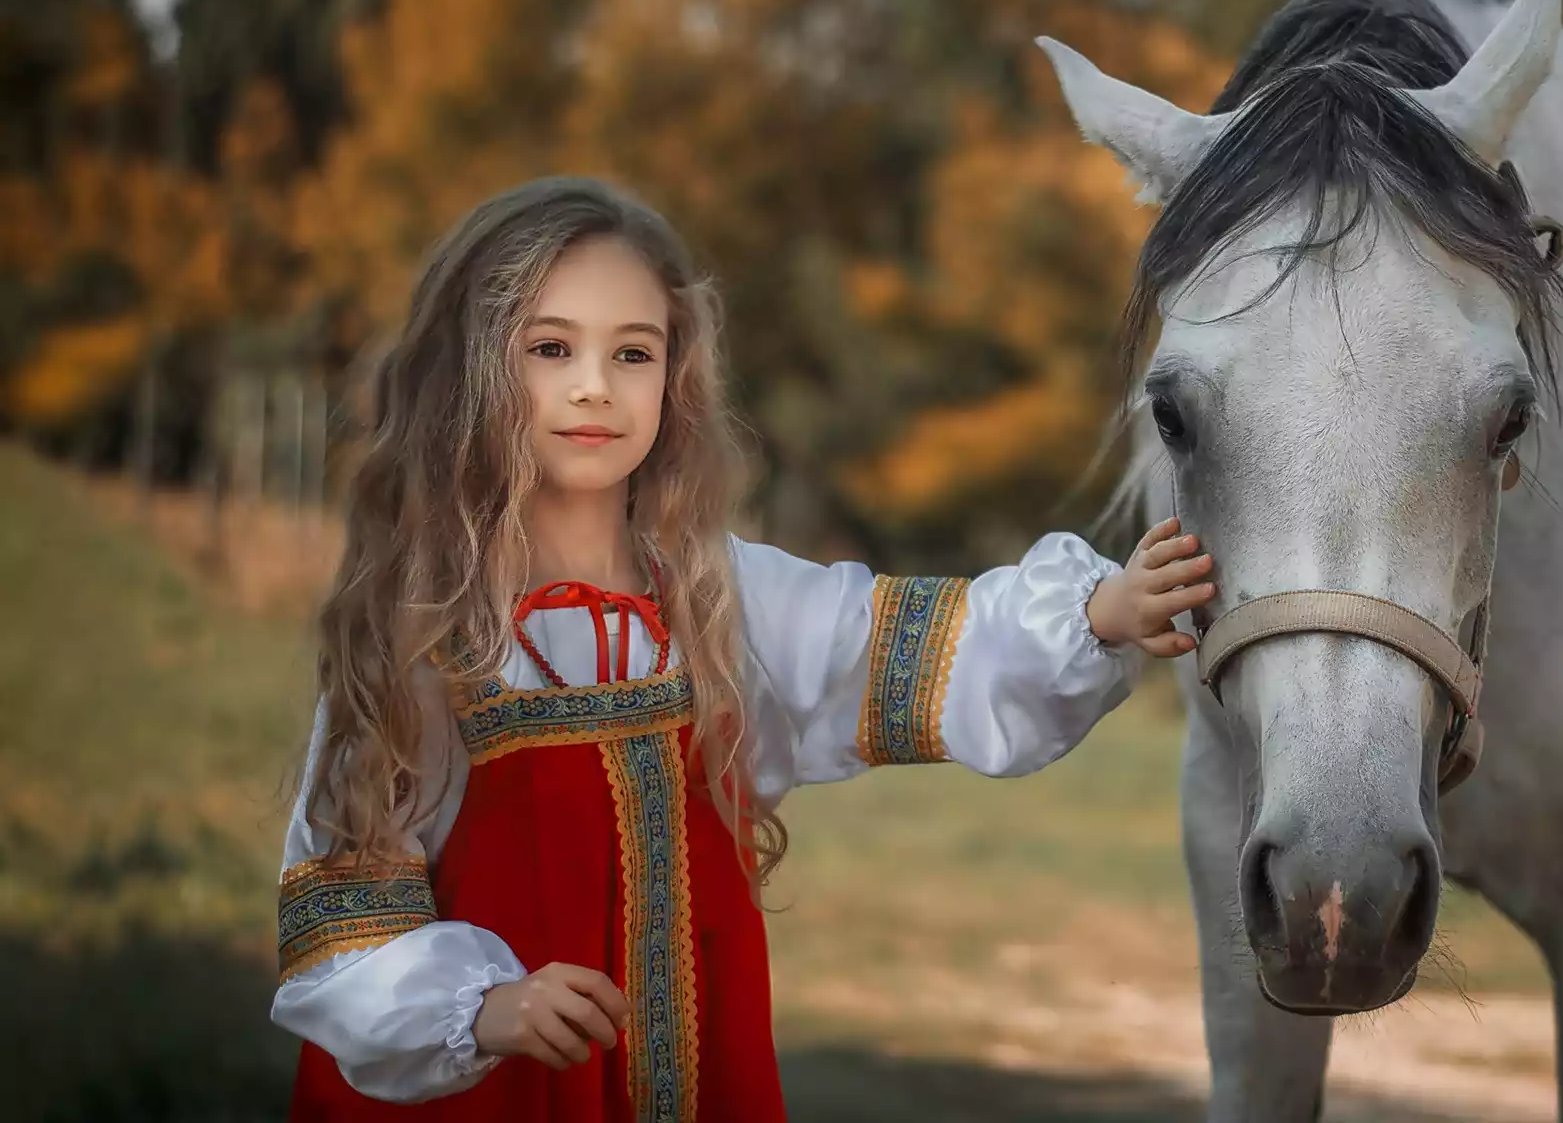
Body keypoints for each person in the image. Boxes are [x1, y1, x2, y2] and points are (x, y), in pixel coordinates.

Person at [270, 176, 1216, 1121]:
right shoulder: (433, 630)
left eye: (632, 353)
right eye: (550, 348)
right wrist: (482, 1007)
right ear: (473, 368)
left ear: (673, 378)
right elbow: (346, 915)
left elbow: (917, 647)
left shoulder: (724, 600)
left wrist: (1097, 613)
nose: (595, 385)